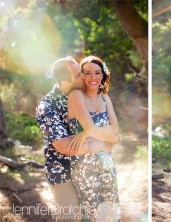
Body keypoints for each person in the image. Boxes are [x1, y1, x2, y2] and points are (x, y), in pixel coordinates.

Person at [35, 56, 119, 221]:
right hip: (62, 167)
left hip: (89, 161)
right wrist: (102, 144)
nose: (85, 77)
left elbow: (108, 127)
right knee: (72, 216)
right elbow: (65, 146)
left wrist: (94, 134)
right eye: (80, 74)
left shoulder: (85, 94)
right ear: (65, 83)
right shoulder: (47, 107)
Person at [67, 55, 120, 222]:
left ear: (103, 75)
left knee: (110, 211)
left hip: (107, 163)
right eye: (88, 73)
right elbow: (105, 132)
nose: (93, 78)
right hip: (84, 165)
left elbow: (116, 129)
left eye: (98, 73)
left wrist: (86, 133)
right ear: (82, 75)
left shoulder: (105, 98)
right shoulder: (76, 96)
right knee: (91, 214)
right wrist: (104, 138)